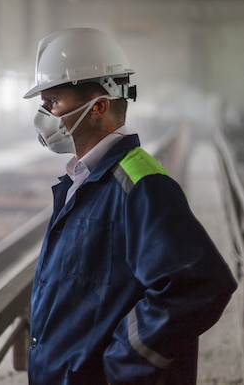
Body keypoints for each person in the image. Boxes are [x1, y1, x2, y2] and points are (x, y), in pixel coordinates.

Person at [23, 27, 237, 385]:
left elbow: (200, 284)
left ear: (99, 107)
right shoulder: (83, 180)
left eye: (53, 102)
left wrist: (124, 362)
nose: (43, 114)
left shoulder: (141, 186)